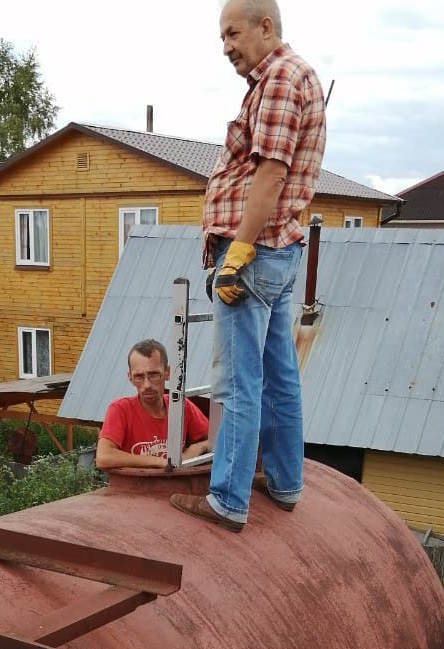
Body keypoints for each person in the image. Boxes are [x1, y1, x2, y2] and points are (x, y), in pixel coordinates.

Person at [171, 0, 326, 532]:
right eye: (222, 38)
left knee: (237, 382)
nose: (227, 47)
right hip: (280, 250)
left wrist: (235, 253)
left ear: (266, 27)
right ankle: (285, 484)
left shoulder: (280, 79)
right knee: (279, 375)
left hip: (256, 254)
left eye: (233, 33)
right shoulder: (291, 76)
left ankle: (228, 499)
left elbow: (270, 177)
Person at [96, 339, 210, 471]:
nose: (147, 385)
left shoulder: (181, 407)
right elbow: (103, 457)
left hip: (175, 487)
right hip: (132, 488)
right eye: (139, 376)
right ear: (130, 377)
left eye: (154, 375)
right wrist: (160, 462)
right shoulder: (120, 409)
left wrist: (197, 448)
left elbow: (217, 439)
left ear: (167, 373)